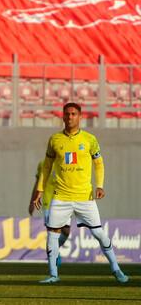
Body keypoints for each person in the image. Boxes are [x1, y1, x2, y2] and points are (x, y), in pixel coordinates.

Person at [32, 102, 128, 284]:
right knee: (52, 234)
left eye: (73, 114)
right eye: (67, 114)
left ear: (80, 116)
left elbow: (99, 164)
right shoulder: (55, 140)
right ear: (62, 116)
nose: (70, 117)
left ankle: (116, 269)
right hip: (61, 197)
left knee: (99, 234)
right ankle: (53, 274)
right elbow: (47, 166)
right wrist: (39, 190)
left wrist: (99, 186)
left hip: (85, 196)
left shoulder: (90, 139)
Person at [28, 159, 71, 268]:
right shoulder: (43, 164)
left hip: (63, 202)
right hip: (49, 204)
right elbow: (38, 184)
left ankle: (54, 249)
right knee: (52, 234)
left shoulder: (67, 162)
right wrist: (32, 202)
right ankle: (53, 267)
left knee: (66, 232)